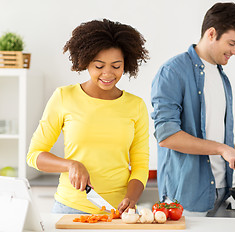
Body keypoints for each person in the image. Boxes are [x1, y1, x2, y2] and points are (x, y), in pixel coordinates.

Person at [27, 19, 150, 214]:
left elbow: (140, 165)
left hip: (117, 212)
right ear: (85, 62)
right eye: (99, 66)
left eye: (116, 66)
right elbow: (35, 155)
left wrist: (131, 198)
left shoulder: (136, 106)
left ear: (126, 64)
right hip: (70, 208)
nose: (108, 74)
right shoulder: (63, 97)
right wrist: (70, 165)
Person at [151, 2, 235, 215]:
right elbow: (167, 136)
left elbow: (215, 132)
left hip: (221, 193)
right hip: (185, 199)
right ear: (211, 33)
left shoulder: (221, 77)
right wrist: (223, 149)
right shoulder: (172, 71)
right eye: (232, 43)